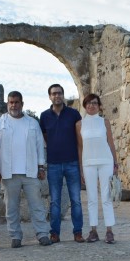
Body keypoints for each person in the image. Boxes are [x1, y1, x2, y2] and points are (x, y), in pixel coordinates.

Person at [0, 91, 52, 248]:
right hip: (8, 172)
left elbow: (39, 146)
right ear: (7, 104)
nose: (13, 105)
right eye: (11, 102)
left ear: (22, 104)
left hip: (30, 171)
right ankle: (15, 236)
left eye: (16, 102)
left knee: (36, 205)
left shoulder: (32, 123)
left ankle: (42, 234)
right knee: (11, 206)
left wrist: (41, 166)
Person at [39, 84, 85, 243]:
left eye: (59, 93)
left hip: (72, 162)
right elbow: (45, 137)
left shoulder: (74, 114)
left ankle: (78, 232)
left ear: (63, 95)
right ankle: (55, 233)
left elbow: (80, 139)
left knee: (76, 200)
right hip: (54, 164)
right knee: (55, 201)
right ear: (49, 96)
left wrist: (81, 165)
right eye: (53, 93)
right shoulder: (44, 116)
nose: (57, 96)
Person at [76, 94, 118, 243]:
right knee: (92, 198)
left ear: (99, 106)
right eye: (88, 103)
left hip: (106, 161)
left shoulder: (104, 122)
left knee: (106, 197)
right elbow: (80, 148)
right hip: (88, 164)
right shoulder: (79, 125)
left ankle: (109, 231)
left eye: (94, 103)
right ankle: (93, 230)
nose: (91, 106)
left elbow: (111, 143)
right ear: (84, 106)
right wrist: (81, 168)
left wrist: (115, 163)